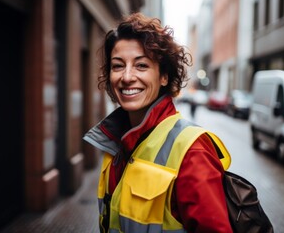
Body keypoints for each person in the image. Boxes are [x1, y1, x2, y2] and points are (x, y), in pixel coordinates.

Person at [83, 12, 233, 233]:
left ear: (164, 76)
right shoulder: (116, 144)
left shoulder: (193, 150)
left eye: (141, 65)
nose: (126, 77)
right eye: (117, 66)